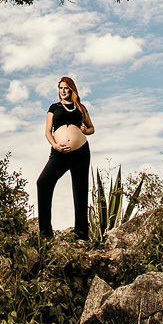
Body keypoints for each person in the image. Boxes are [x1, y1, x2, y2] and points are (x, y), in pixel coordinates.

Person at [36, 76, 95, 240]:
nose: (63, 91)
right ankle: (46, 234)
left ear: (72, 90)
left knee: (80, 191)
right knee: (43, 183)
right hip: (59, 153)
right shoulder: (54, 108)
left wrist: (84, 130)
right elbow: (48, 131)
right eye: (60, 88)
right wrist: (55, 145)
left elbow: (92, 128)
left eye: (66, 88)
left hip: (81, 152)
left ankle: (82, 236)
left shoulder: (80, 108)